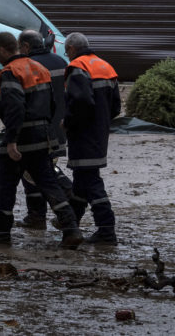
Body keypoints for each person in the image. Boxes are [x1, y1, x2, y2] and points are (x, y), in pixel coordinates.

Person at [0, 32, 83, 248]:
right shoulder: (40, 68)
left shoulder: (9, 72)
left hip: (22, 137)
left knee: (6, 182)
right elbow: (55, 103)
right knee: (47, 181)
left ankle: (1, 230)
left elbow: (14, 108)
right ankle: (71, 227)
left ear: (0, 50)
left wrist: (10, 141)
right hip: (43, 134)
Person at [63, 31, 121, 245]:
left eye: (66, 51)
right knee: (81, 181)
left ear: (71, 49)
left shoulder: (78, 67)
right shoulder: (105, 66)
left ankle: (106, 229)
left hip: (83, 135)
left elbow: (81, 102)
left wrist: (67, 122)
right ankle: (70, 224)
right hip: (99, 134)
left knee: (92, 182)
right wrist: (101, 122)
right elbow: (116, 106)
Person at [16, 29, 73, 230]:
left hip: (38, 129)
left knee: (35, 171)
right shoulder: (60, 63)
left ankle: (41, 213)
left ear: (25, 46)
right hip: (60, 127)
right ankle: (37, 216)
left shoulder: (27, 67)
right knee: (40, 169)